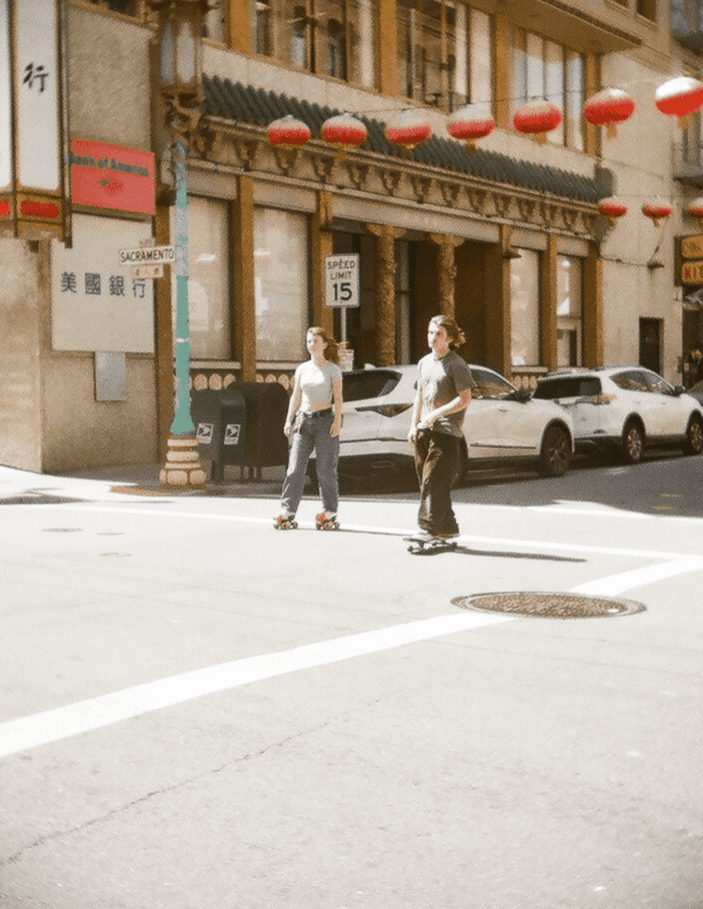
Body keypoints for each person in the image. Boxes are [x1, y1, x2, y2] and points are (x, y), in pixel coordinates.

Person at [407, 315, 474, 541]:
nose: (433, 338)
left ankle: (429, 528)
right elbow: (419, 396)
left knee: (433, 479)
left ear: (450, 338)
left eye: (438, 334)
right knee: (428, 481)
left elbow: (465, 398)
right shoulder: (424, 363)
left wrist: (437, 413)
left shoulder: (457, 364)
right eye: (430, 333)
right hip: (424, 430)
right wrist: (413, 425)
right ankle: (447, 526)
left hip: (446, 432)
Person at [275, 326, 343, 530]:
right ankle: (287, 511)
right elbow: (296, 396)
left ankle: (329, 511)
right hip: (303, 421)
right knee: (295, 468)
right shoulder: (302, 369)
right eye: (308, 341)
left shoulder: (333, 370)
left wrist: (337, 421)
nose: (311, 345)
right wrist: (288, 420)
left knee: (325, 469)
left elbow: (338, 398)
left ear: (324, 344)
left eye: (315, 341)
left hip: (324, 421)